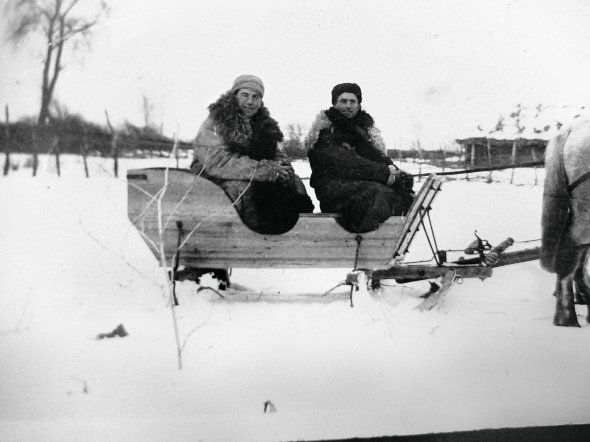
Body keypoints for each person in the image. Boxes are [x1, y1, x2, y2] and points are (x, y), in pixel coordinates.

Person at [190, 74, 314, 234]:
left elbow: (278, 155)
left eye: (256, 97)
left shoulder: (266, 126)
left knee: (294, 183)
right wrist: (266, 171)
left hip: (252, 174)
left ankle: (293, 234)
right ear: (234, 95)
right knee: (240, 189)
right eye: (245, 95)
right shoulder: (216, 122)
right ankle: (243, 236)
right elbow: (218, 162)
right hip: (214, 178)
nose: (250, 102)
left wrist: (283, 170)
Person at [305, 82, 414, 233]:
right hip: (334, 191)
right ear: (334, 103)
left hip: (360, 187)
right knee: (379, 194)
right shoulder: (325, 131)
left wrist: (397, 173)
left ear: (359, 104)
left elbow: (379, 158)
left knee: (405, 197)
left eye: (352, 101)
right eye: (343, 101)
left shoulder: (364, 131)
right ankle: (363, 244)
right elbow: (346, 162)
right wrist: (385, 173)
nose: (348, 106)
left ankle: (386, 242)